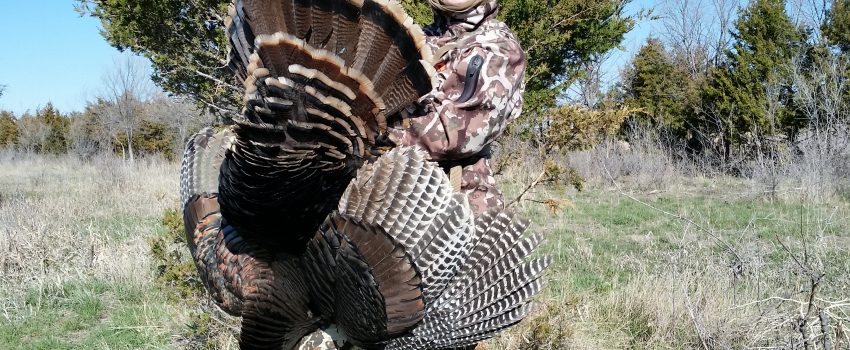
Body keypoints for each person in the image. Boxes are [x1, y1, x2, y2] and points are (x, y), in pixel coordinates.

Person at [390, 0, 527, 215]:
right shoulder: (414, 39)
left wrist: (371, 129)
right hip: (385, 195)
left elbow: (451, 136)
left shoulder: (500, 48)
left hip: (456, 209)